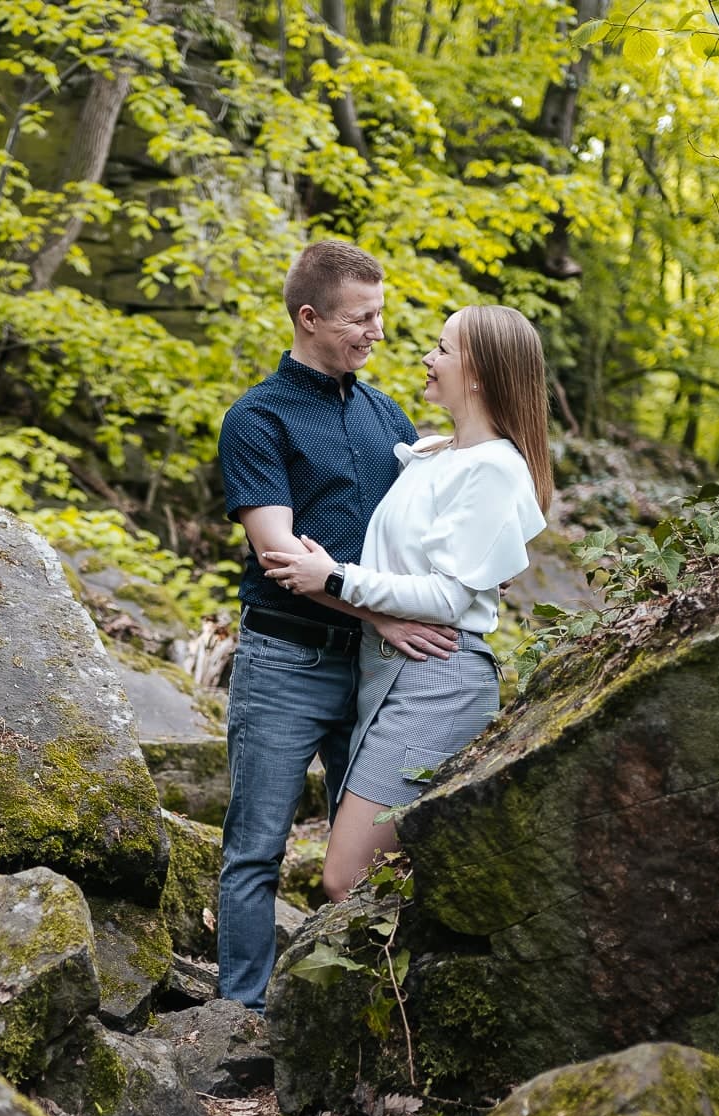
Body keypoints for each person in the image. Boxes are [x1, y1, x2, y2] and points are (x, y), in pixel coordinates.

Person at [214, 241, 461, 1011]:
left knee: (367, 848)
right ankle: (242, 1016)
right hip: (282, 661)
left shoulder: (385, 413)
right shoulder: (256, 418)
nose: (378, 331)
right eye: (362, 318)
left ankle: (346, 1007)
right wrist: (384, 613)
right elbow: (281, 555)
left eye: (381, 314)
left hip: (371, 665)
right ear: (310, 317)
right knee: (256, 848)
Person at [262, 304, 552, 904]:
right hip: (388, 670)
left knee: (347, 878)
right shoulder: (432, 453)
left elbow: (448, 596)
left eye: (442, 349)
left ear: (478, 373)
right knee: (383, 875)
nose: (427, 357)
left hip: (436, 678)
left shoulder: (495, 469)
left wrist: (334, 579)